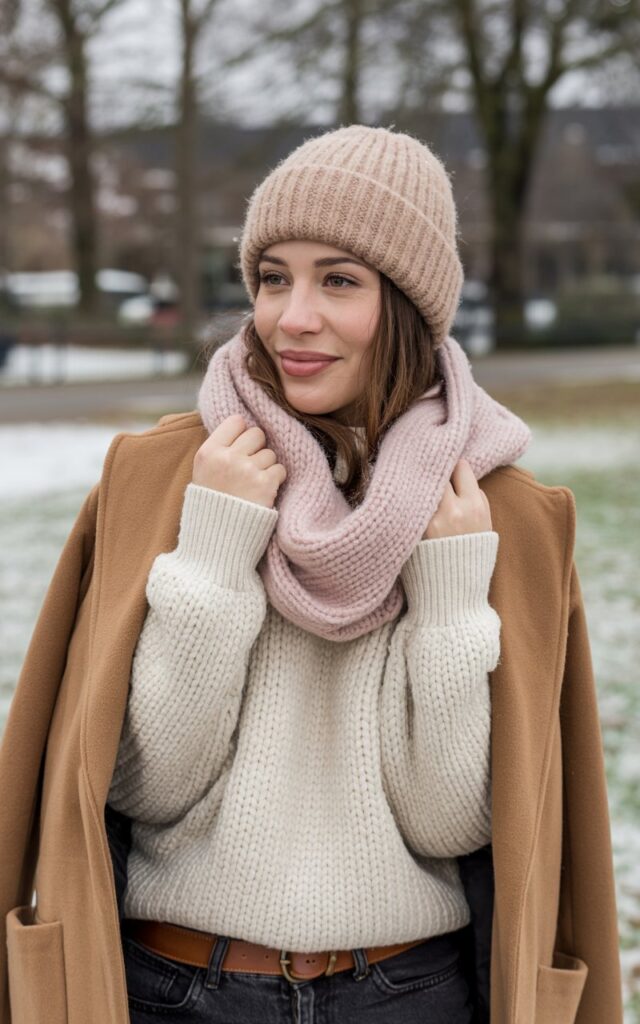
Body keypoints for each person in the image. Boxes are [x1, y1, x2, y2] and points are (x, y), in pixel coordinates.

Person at [0, 125, 622, 1024]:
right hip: (172, 991)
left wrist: (450, 598)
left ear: (407, 304)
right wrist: (215, 548)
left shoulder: (500, 515)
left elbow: (454, 825)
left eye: (339, 280)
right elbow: (140, 785)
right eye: (272, 277)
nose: (292, 315)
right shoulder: (166, 476)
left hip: (406, 997)